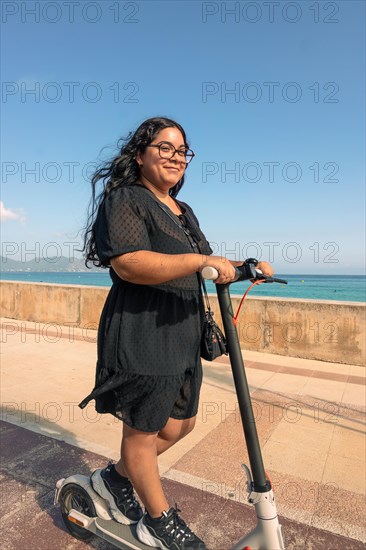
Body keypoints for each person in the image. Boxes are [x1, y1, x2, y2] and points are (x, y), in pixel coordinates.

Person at [79, 117, 273, 549]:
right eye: (164, 147)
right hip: (142, 330)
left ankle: (113, 479)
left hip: (183, 332)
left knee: (179, 427)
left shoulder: (184, 212)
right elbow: (128, 262)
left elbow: (202, 264)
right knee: (142, 434)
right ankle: (158, 520)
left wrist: (244, 269)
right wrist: (195, 262)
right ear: (140, 155)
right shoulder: (126, 198)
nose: (175, 156)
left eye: (181, 150)